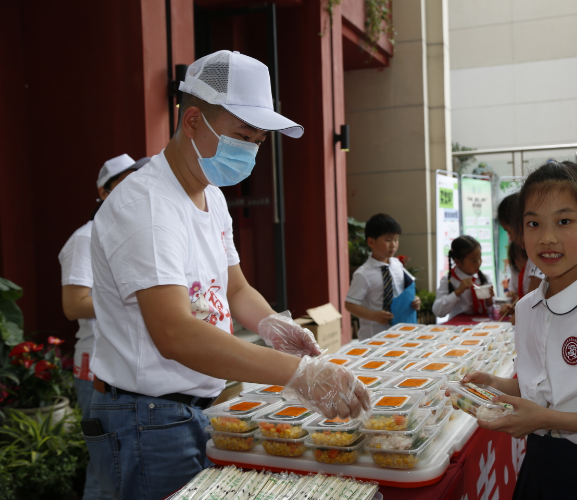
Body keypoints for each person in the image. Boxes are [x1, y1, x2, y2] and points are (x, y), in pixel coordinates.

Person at [85, 51, 370, 500]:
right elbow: (175, 333)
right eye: (243, 136)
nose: (252, 150)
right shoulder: (147, 206)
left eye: (259, 140)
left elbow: (234, 285)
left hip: (192, 410)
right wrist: (297, 373)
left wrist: (271, 323)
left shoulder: (211, 197)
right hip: (146, 419)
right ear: (194, 120)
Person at [454, 161, 577, 499]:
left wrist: (543, 418)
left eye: (564, 221)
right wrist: (496, 385)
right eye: (534, 223)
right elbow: (544, 384)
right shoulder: (527, 308)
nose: (547, 238)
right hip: (541, 463)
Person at [59, 154, 148, 500]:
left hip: (123, 369)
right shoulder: (86, 236)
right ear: (103, 191)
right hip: (95, 368)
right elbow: (73, 304)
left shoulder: (130, 232)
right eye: (122, 183)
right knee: (105, 474)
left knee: (123, 470)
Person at [344, 213, 420, 339]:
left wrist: (414, 299)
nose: (393, 245)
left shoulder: (397, 265)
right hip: (374, 337)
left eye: (396, 239)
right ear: (371, 242)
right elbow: (350, 304)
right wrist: (373, 316)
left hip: (400, 334)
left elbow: (403, 291)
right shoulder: (363, 274)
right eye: (388, 240)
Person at [432, 235, 494, 320]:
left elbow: (490, 311)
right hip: (458, 326)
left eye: (480, 257)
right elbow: (438, 312)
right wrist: (458, 292)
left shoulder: (484, 278)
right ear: (457, 262)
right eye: (473, 261)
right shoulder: (448, 280)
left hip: (482, 325)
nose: (478, 263)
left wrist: (489, 300)